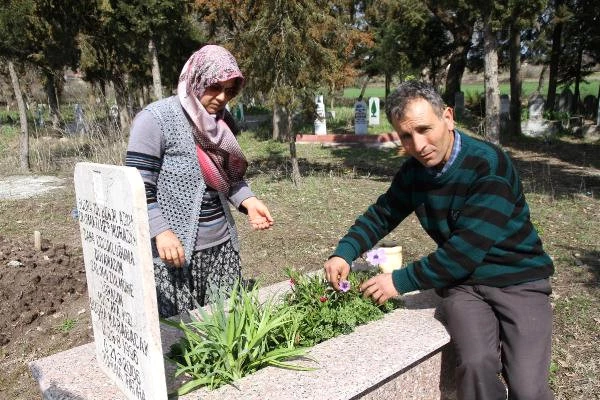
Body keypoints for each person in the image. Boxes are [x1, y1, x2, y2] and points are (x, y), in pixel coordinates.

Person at [324, 81, 554, 400]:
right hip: (464, 285)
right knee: (476, 365)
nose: (418, 145)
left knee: (528, 389)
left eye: (424, 129)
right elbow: (382, 214)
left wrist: (398, 281)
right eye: (406, 136)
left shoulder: (487, 166)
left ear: (448, 117)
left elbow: (464, 252)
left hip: (519, 281)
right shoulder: (415, 172)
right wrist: (344, 253)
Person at [126, 45, 273, 318]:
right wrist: (161, 232)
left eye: (229, 91)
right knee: (181, 338)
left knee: (225, 326)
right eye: (214, 87)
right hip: (174, 252)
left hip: (221, 248)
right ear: (196, 80)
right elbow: (136, 187)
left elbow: (230, 178)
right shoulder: (156, 119)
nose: (221, 97)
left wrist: (249, 202)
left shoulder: (221, 124)